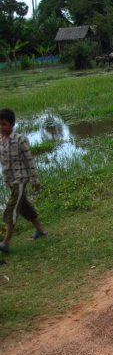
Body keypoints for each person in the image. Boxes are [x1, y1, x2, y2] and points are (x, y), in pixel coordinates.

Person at [0, 108, 47, 253]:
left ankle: (6, 242)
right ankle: (40, 230)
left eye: (4, 124)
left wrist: (35, 180)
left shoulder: (19, 139)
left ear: (12, 124)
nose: (1, 127)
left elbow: (29, 160)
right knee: (24, 206)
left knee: (12, 208)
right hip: (10, 181)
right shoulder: (1, 141)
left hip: (20, 180)